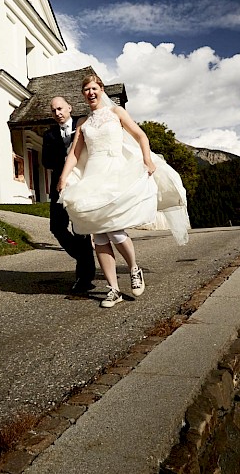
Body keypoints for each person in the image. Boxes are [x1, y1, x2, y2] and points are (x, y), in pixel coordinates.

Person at [57, 74, 190, 308]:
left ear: (101, 90)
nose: (90, 92)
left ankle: (133, 268)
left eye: (94, 88)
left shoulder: (117, 113)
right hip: (93, 175)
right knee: (98, 235)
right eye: (86, 89)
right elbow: (75, 154)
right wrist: (63, 177)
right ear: (83, 94)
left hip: (116, 170)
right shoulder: (82, 124)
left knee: (116, 231)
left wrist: (148, 160)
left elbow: (140, 135)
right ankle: (113, 289)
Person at [42, 96, 96, 294]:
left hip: (82, 180)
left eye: (60, 109)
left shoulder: (83, 124)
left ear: (69, 108)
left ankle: (84, 278)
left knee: (81, 228)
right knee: (56, 226)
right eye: (54, 110)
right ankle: (84, 257)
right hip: (60, 184)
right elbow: (46, 162)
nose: (57, 113)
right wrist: (66, 157)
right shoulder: (49, 135)